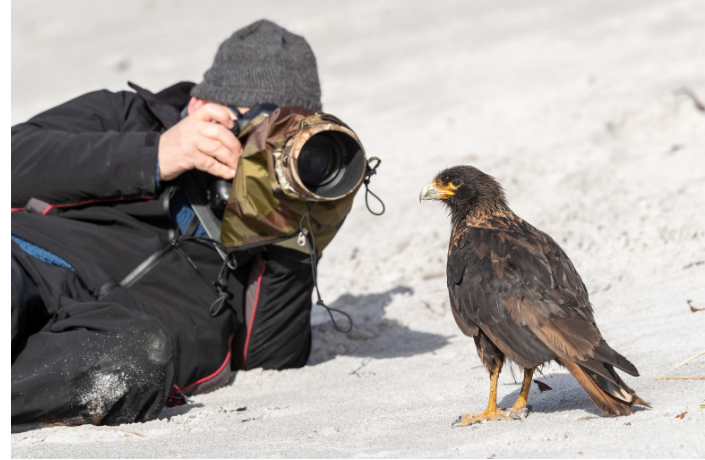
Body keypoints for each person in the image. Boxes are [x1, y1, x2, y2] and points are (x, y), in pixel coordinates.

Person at [11, 19, 326, 433]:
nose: (266, 151)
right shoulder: (126, 116)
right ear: (202, 107)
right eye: (262, 128)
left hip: (107, 339)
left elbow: (272, 359)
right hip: (26, 265)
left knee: (138, 358)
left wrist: (296, 225)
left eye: (287, 136)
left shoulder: (263, 231)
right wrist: (154, 155)